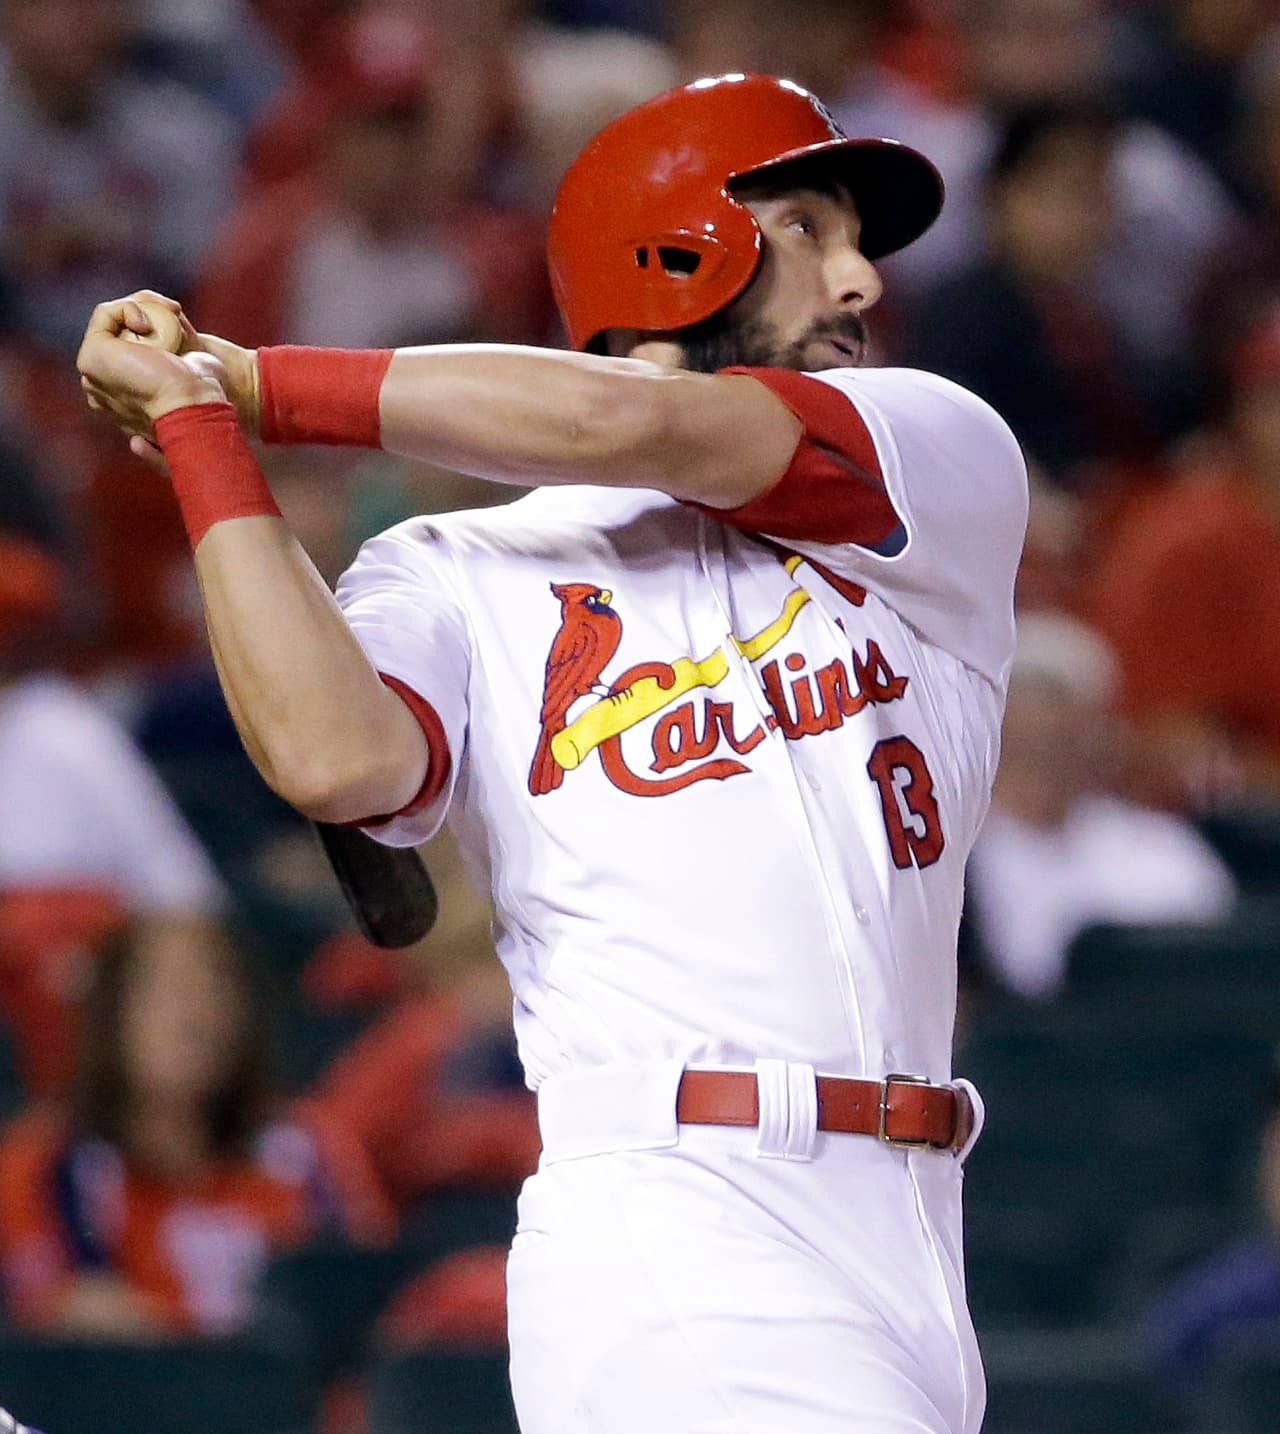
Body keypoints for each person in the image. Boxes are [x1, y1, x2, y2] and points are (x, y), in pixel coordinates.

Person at [75, 74, 1027, 1434]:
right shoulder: (453, 566)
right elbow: (341, 763)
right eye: (812, 227)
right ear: (674, 245)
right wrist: (199, 434)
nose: (864, 279)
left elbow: (631, 425)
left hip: (916, 1230)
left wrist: (253, 377)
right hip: (676, 1205)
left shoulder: (938, 455)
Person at [0, 914, 314, 1336]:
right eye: (165, 989)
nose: (194, 1013)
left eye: (215, 988)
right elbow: (47, 1311)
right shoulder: (39, 1163)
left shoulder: (306, 1154)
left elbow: (362, 1295)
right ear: (109, 1011)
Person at [963, 612, 1236, 1000]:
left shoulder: (1165, 851)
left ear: (1102, 739)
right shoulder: (956, 864)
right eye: (1025, 748)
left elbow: (1222, 984)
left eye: (1062, 745)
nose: (1043, 767)